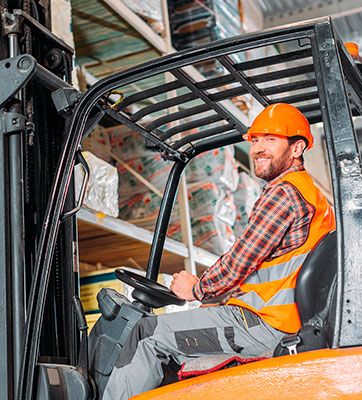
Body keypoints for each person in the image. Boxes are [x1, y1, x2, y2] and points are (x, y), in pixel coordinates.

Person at [102, 103, 336, 400]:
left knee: (147, 333)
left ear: (297, 147)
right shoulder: (308, 193)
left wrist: (197, 289)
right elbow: (257, 264)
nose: (258, 148)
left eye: (271, 140)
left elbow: (240, 260)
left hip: (265, 324)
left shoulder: (284, 193)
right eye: (255, 140)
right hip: (277, 319)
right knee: (173, 352)